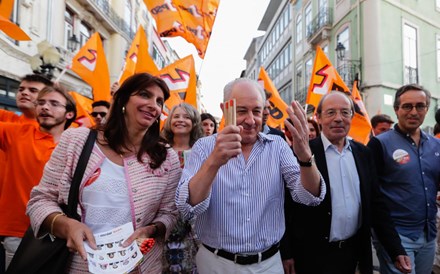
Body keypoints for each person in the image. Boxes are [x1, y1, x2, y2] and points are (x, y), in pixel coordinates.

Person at [26, 73, 182, 273]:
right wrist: (67, 226)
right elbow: (40, 200)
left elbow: (170, 213)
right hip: (78, 265)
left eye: (159, 101)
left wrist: (152, 229)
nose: (154, 105)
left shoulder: (166, 156)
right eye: (144, 95)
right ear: (122, 100)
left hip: (140, 267)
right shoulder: (76, 140)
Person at [176, 78, 326, 273]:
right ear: (224, 108)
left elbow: (309, 196)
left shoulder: (277, 146)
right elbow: (187, 207)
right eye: (241, 111)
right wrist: (214, 161)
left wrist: (305, 157)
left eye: (256, 111)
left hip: (268, 264)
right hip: (216, 263)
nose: (250, 120)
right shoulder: (205, 147)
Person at [280, 92, 411, 274]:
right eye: (331, 112)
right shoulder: (303, 153)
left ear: (352, 116)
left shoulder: (363, 154)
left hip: (354, 255)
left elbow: (376, 204)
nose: (338, 119)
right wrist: (286, 252)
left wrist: (395, 249)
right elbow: (285, 207)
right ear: (318, 117)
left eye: (345, 112)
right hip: (311, 256)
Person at [0, 85, 76, 271]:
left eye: (54, 103)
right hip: (18, 232)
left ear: (69, 114)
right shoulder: (16, 133)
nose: (45, 107)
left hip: (61, 233)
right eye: (41, 103)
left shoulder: (78, 145)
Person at [368, 84, 440, 274]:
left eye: (420, 106)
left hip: (429, 235)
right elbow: (372, 196)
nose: (414, 112)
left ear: (426, 109)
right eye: (407, 106)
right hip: (397, 235)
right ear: (396, 110)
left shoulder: (436, 145)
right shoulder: (379, 144)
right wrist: (392, 245)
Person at [161, 102, 203, 273]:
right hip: (165, 218)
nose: (181, 120)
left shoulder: (202, 151)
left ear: (194, 123)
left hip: (193, 222)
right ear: (170, 121)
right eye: (176, 116)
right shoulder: (158, 150)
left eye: (186, 117)